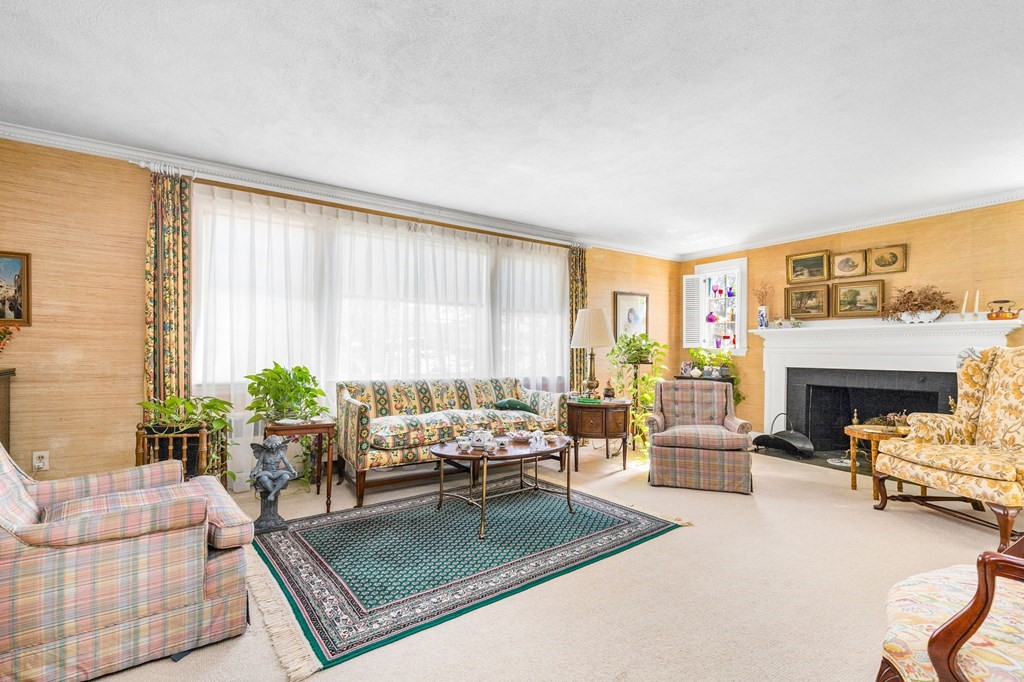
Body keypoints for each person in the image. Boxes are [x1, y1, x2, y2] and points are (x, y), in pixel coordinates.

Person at [250, 435, 298, 501]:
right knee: (263, 478)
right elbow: (258, 465)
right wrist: (255, 472)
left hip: (276, 472)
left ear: (278, 446)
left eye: (275, 447)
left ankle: (272, 494)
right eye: (271, 448)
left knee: (286, 476)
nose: (273, 449)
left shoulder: (280, 453)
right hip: (267, 472)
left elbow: (287, 463)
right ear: (267, 447)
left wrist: (292, 470)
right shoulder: (264, 453)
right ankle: (274, 493)